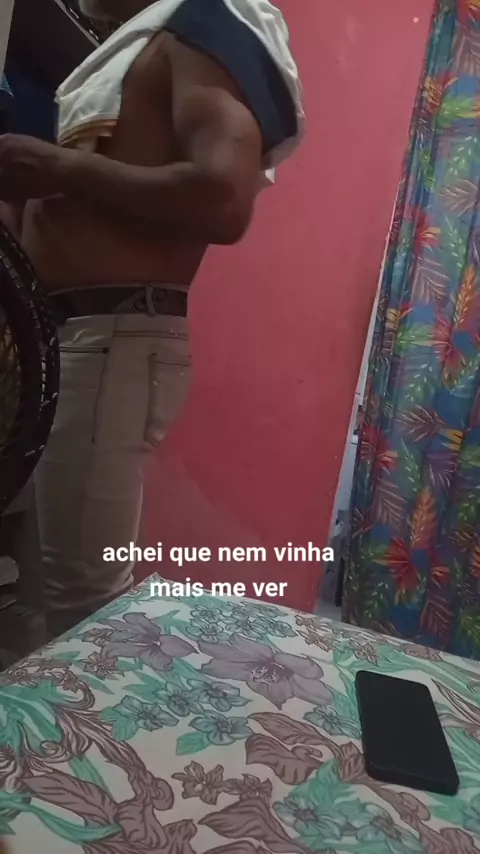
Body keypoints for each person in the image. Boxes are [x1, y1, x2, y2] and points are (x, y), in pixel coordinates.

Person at [0, 0, 303, 638]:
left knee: (83, 603)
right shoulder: (137, 49)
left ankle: (96, 705)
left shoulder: (198, 27)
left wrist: (59, 168)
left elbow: (225, 197)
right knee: (38, 588)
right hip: (70, 336)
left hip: (108, 337)